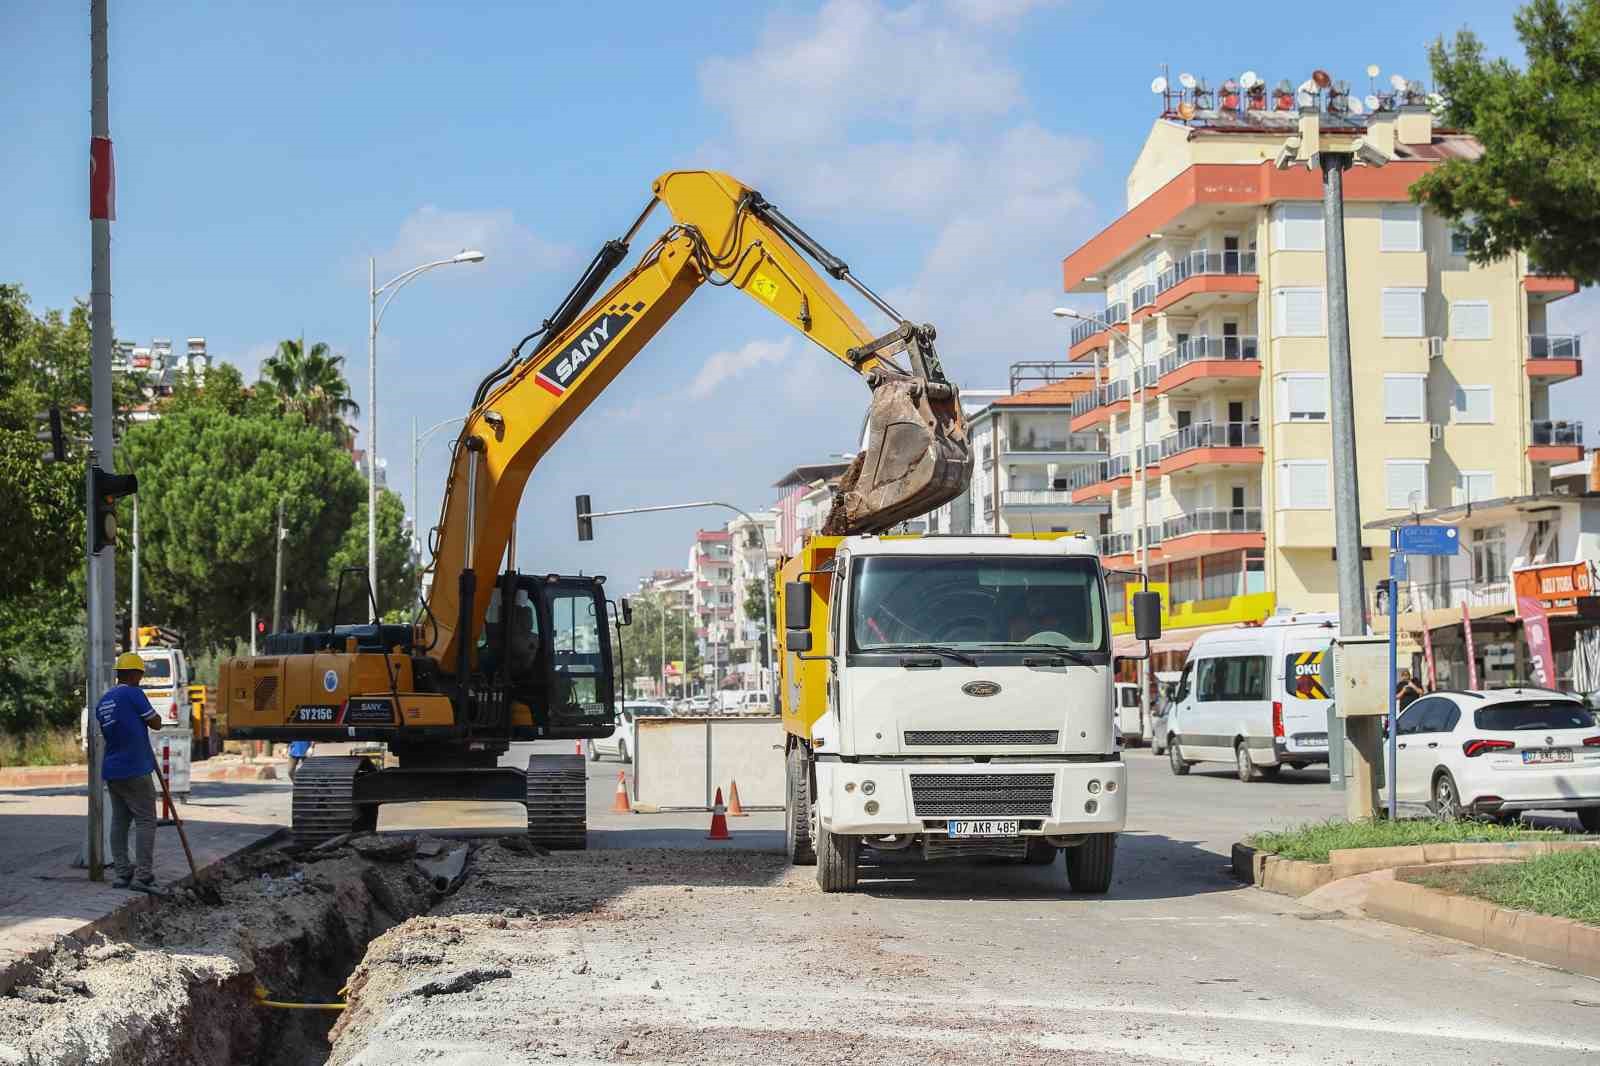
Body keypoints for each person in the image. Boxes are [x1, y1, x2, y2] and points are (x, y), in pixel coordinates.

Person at [94, 652, 165, 894]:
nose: (141, 679)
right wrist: (156, 719)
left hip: (113, 769)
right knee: (146, 820)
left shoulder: (103, 702)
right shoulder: (134, 693)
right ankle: (143, 876)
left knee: (120, 821)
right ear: (135, 674)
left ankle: (122, 873)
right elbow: (155, 722)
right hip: (135, 767)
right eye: (140, 675)